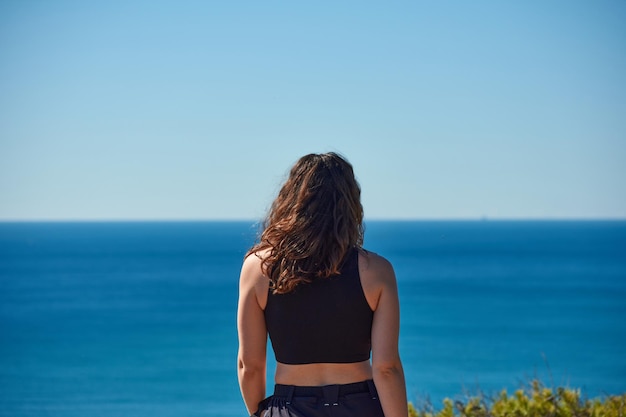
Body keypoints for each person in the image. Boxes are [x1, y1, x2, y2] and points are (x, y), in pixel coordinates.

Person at [237, 152, 408, 417]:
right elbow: (386, 368)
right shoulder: (376, 270)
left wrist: (260, 413)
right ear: (350, 204)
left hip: (288, 407)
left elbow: (250, 366)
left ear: (291, 200)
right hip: (360, 405)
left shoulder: (258, 267)